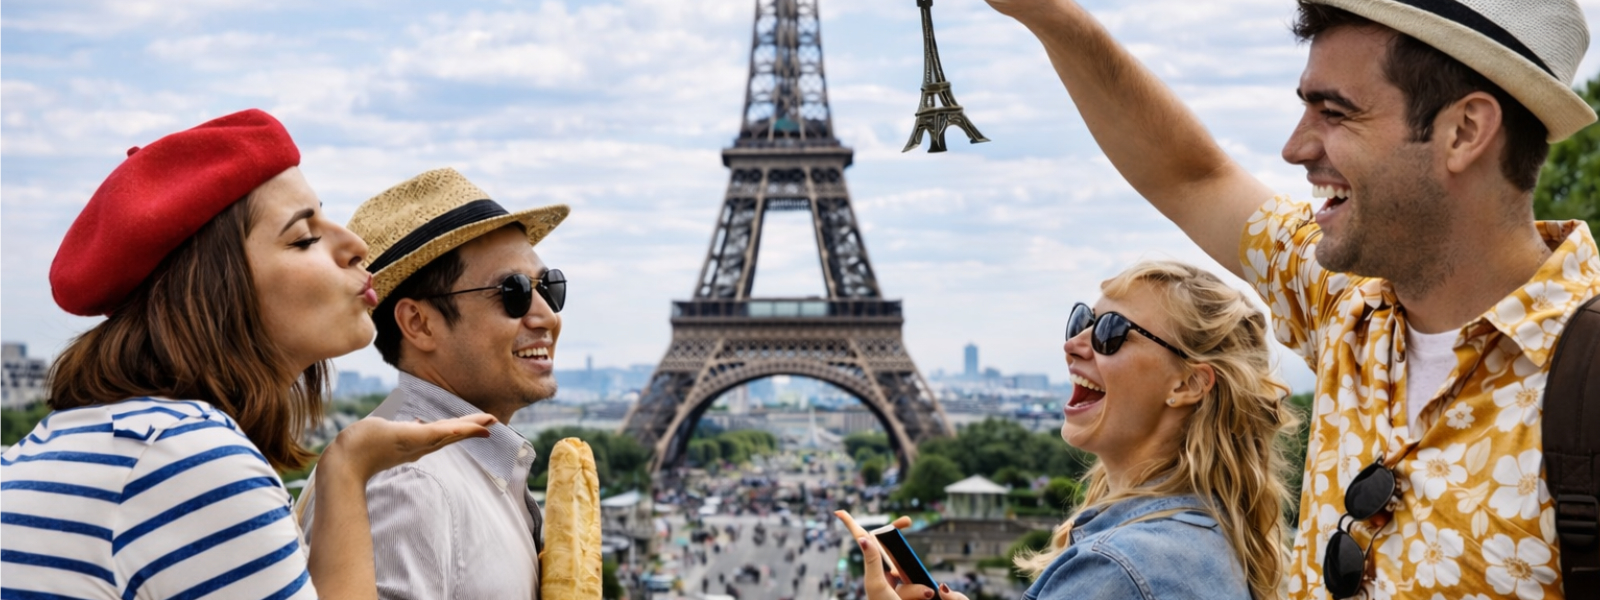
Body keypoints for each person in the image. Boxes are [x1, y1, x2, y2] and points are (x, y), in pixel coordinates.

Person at [985, 0, 1598, 597]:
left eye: (1335, 113)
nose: (1296, 147)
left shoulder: (1585, 375)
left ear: (1464, 130)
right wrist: (1047, 12)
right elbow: (1192, 176)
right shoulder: (1343, 304)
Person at [0, 109, 493, 599]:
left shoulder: (67, 445)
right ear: (215, 291)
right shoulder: (187, 459)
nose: (355, 245)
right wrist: (348, 467)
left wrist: (347, 465)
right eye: (305, 238)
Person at [295, 168, 568, 599]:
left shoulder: (441, 471)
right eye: (513, 292)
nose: (546, 315)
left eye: (550, 287)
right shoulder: (407, 486)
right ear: (419, 324)